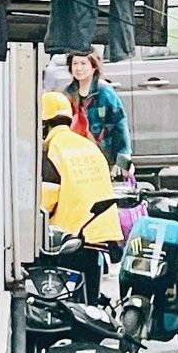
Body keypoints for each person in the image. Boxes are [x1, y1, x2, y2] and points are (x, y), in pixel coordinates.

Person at [39, 90, 122, 297]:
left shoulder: (52, 150)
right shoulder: (89, 146)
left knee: (68, 297)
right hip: (101, 231)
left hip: (73, 234)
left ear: (43, 125)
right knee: (89, 294)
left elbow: (46, 200)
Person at [65, 48, 132, 172]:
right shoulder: (68, 93)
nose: (78, 68)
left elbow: (119, 123)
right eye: (75, 64)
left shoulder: (105, 92)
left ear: (94, 67)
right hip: (76, 157)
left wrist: (124, 156)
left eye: (83, 63)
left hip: (102, 155)